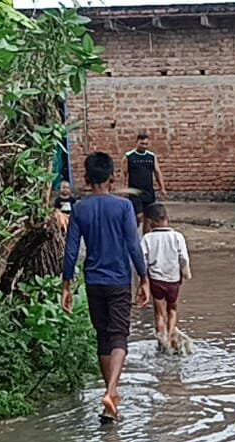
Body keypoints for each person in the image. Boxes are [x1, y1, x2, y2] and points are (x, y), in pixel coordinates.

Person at [62, 152, 151, 423]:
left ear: (87, 178)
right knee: (119, 336)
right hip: (119, 280)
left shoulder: (80, 209)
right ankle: (111, 392)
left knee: (103, 337)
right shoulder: (123, 207)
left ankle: (110, 408)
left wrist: (66, 285)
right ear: (112, 177)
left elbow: (71, 250)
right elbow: (133, 245)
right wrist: (144, 278)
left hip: (94, 281)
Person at [140, 202, 192, 354]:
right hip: (173, 280)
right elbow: (184, 258)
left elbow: (142, 260)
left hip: (156, 280)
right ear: (167, 218)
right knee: (172, 309)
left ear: (150, 222)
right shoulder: (177, 236)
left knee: (159, 313)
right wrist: (185, 273)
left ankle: (161, 343)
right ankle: (170, 337)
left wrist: (143, 278)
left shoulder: (147, 238)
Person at [125, 131, 168, 220]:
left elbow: (157, 172)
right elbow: (123, 174)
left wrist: (162, 188)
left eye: (146, 144)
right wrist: (123, 189)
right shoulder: (129, 156)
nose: (144, 146)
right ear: (136, 142)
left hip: (148, 191)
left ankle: (145, 229)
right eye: (142, 144)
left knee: (149, 216)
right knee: (138, 216)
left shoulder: (151, 156)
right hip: (135, 191)